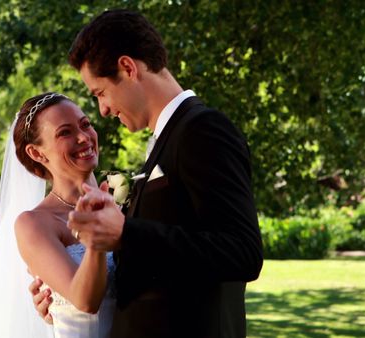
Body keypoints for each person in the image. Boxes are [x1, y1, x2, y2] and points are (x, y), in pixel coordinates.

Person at [31, 9, 264, 338]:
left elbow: (242, 252)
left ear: (127, 68)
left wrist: (127, 232)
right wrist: (60, 302)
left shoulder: (202, 130)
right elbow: (156, 264)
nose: (104, 110)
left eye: (100, 93)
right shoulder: (167, 140)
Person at [0, 93, 116, 338]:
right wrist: (97, 233)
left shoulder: (119, 201)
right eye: (65, 133)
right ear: (37, 153)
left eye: (85, 124)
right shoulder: (35, 224)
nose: (84, 137)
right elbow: (85, 301)